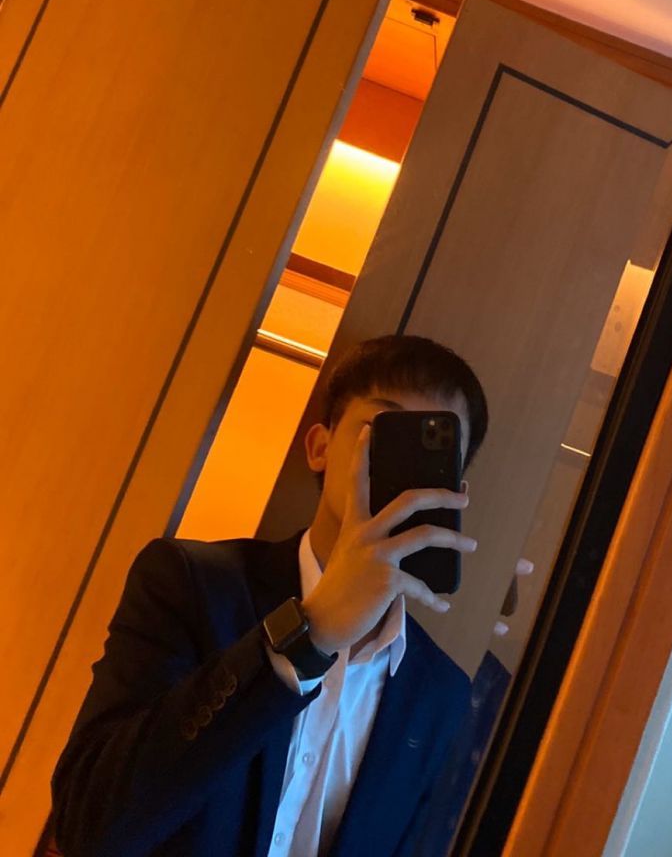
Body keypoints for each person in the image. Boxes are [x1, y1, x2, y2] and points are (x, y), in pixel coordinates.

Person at [52, 335, 493, 857]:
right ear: (320, 447)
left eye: (433, 457)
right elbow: (87, 824)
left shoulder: (438, 693)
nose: (402, 475)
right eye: (380, 432)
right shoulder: (191, 584)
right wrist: (309, 637)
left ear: (455, 493)